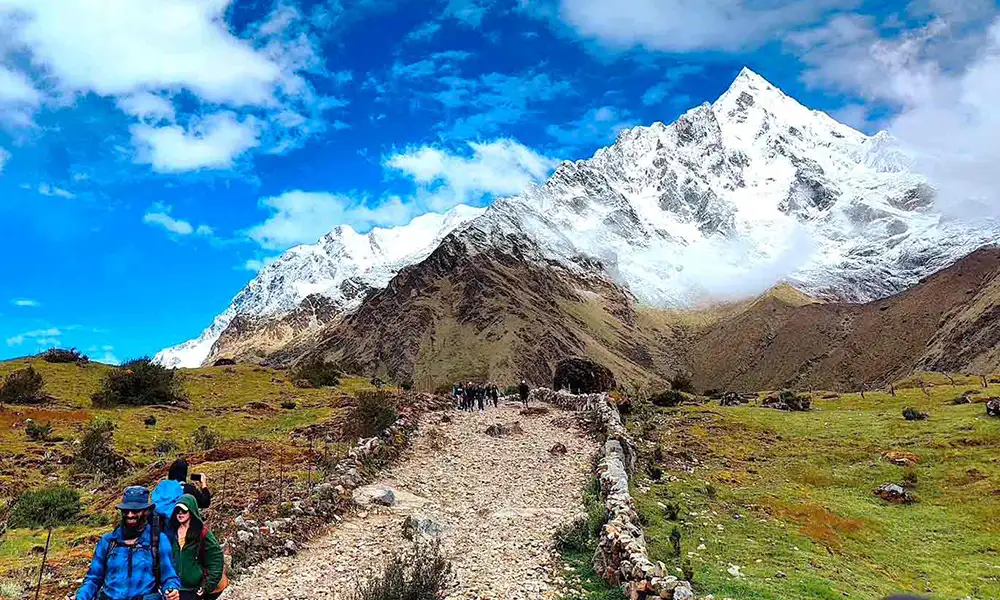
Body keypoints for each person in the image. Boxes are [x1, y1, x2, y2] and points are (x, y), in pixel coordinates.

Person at [75, 486, 181, 600]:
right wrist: (81, 597)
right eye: (126, 510)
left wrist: (171, 589)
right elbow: (93, 579)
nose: (130, 515)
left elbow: (169, 576)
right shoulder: (108, 541)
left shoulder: (158, 540)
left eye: (135, 510)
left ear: (146, 511)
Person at [169, 494, 226, 600]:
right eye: (177, 510)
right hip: (173, 590)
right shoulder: (171, 532)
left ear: (192, 510)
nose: (180, 513)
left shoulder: (202, 533)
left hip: (194, 591)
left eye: (184, 510)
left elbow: (216, 560)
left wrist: (206, 587)